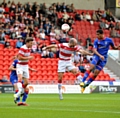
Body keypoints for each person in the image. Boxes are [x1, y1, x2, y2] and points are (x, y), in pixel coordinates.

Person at [14, 37, 34, 103]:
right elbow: (19, 58)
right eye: (31, 43)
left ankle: (20, 92)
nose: (32, 44)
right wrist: (29, 57)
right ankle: (19, 92)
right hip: (20, 66)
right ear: (27, 43)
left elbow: (18, 55)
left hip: (25, 66)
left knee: (26, 82)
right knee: (20, 78)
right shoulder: (23, 48)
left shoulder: (29, 48)